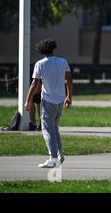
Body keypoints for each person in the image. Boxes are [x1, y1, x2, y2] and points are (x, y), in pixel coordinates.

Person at [24, 39, 73, 168]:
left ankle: (53, 157)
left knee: (47, 129)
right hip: (60, 100)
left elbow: (35, 84)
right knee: (54, 128)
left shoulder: (40, 64)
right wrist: (69, 97)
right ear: (53, 48)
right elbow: (69, 79)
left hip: (47, 100)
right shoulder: (63, 62)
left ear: (41, 51)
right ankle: (59, 154)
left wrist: (28, 100)